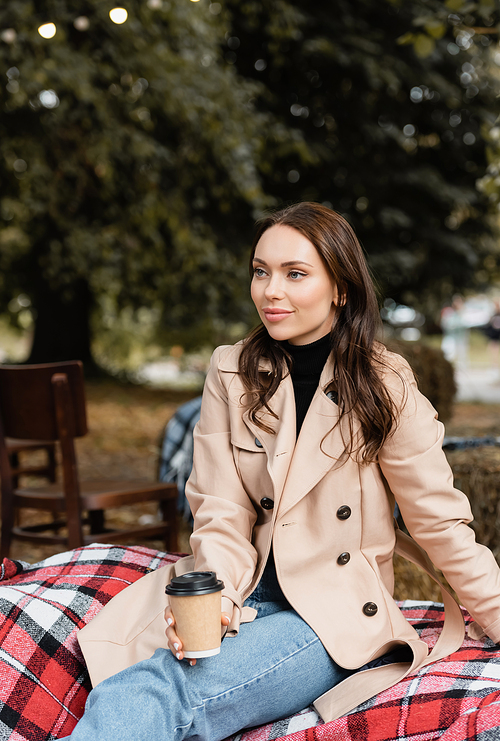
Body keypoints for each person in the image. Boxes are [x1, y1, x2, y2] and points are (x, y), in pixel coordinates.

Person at [64, 203, 500, 740]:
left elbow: (439, 521)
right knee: (118, 677)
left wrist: (496, 610)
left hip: (330, 612)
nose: (271, 291)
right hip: (245, 590)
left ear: (340, 286)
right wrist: (217, 595)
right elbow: (221, 509)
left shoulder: (383, 382)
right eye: (260, 270)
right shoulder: (231, 369)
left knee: (161, 690)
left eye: (296, 274)